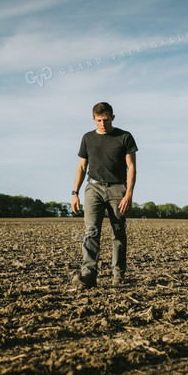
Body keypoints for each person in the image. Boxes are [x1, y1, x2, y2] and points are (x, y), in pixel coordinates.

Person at [71, 102, 138, 288]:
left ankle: (118, 274)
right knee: (91, 231)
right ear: (93, 119)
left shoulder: (124, 137)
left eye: (106, 120)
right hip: (93, 189)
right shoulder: (87, 138)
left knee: (118, 232)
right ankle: (88, 274)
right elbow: (81, 167)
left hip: (118, 190)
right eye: (99, 120)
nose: (103, 124)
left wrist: (128, 194)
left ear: (113, 118)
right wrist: (75, 193)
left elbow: (131, 167)